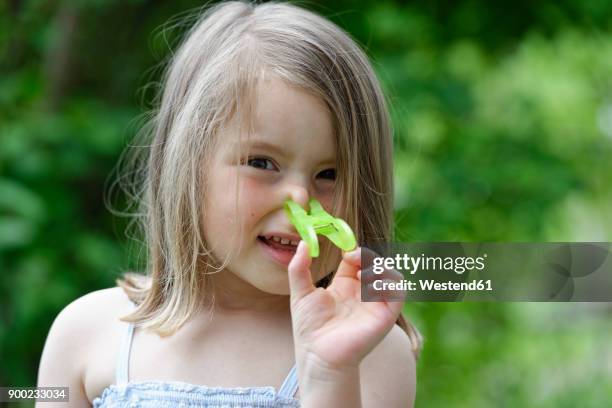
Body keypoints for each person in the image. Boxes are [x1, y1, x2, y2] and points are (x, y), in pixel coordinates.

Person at [37, 1, 422, 406]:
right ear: (186, 166)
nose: (300, 198)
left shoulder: (373, 353)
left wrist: (330, 373)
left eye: (330, 174)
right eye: (261, 163)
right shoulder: (84, 334)